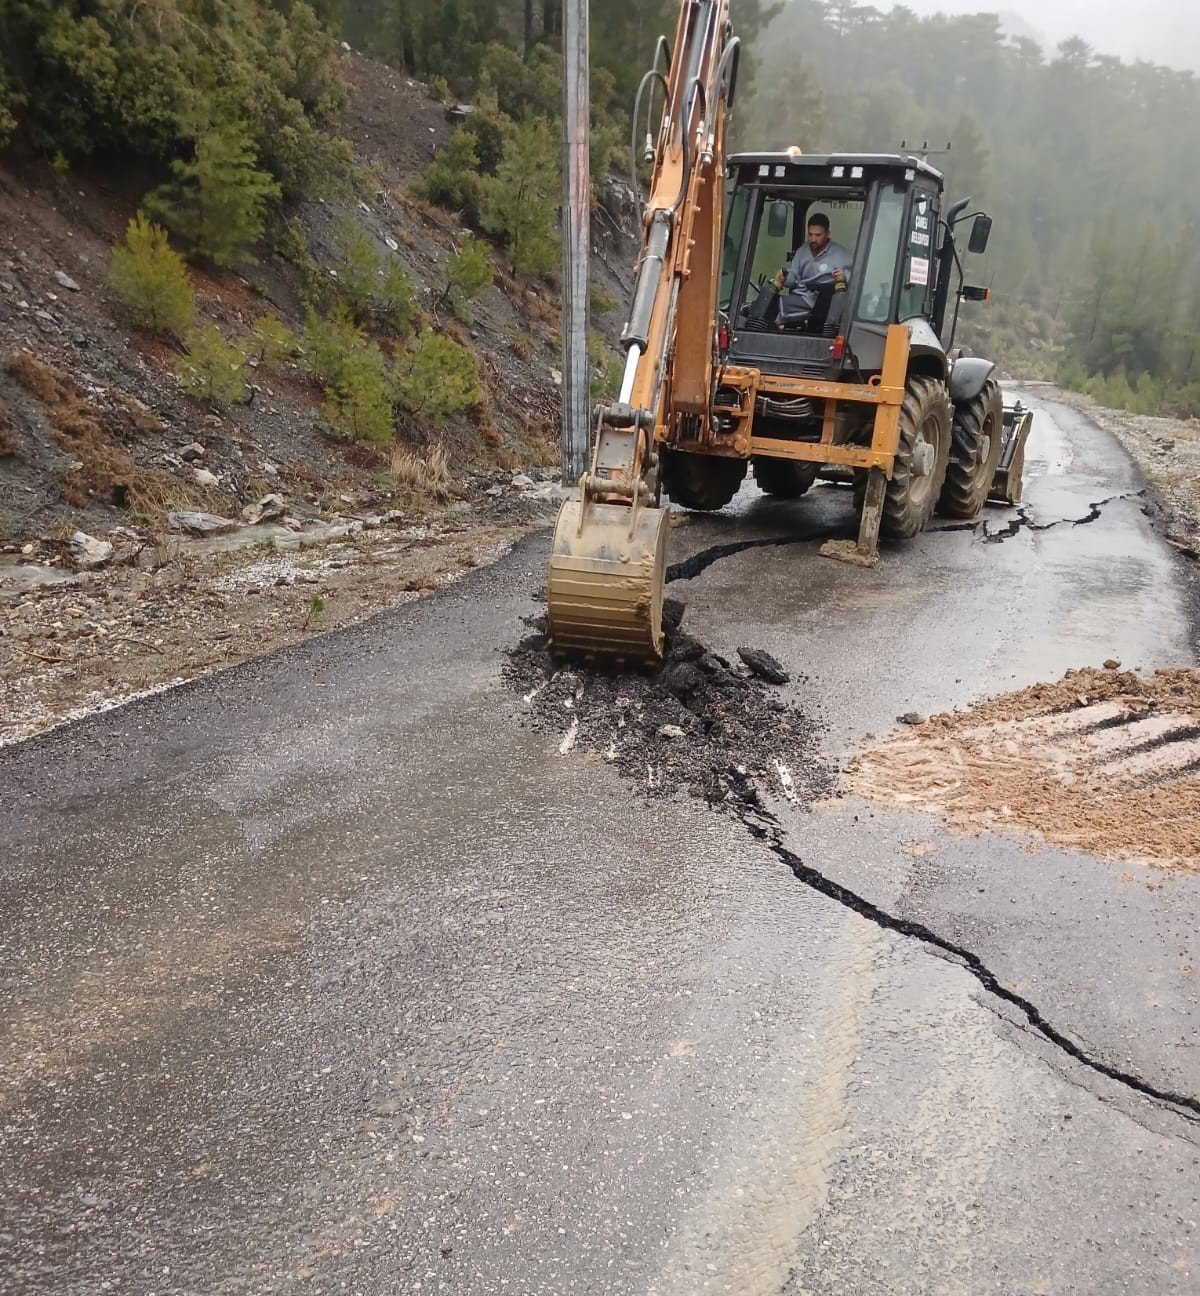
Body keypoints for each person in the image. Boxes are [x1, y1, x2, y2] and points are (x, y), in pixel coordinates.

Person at [773, 213, 853, 324]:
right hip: (801, 296)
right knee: (769, 302)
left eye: (818, 235)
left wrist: (843, 278)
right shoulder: (802, 251)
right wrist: (785, 277)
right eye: (810, 234)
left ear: (827, 234)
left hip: (823, 301)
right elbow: (794, 280)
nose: (813, 239)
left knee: (775, 306)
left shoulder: (841, 255)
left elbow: (853, 281)